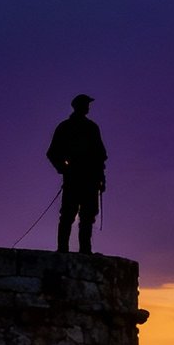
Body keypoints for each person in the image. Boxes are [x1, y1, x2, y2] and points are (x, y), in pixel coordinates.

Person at [46, 93, 107, 253]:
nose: (88, 107)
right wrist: (64, 168)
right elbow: (52, 153)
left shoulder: (92, 128)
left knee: (87, 216)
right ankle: (63, 249)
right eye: (85, 104)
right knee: (68, 214)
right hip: (74, 179)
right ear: (78, 107)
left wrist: (101, 179)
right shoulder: (65, 127)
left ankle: (85, 250)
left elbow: (100, 157)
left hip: (90, 180)